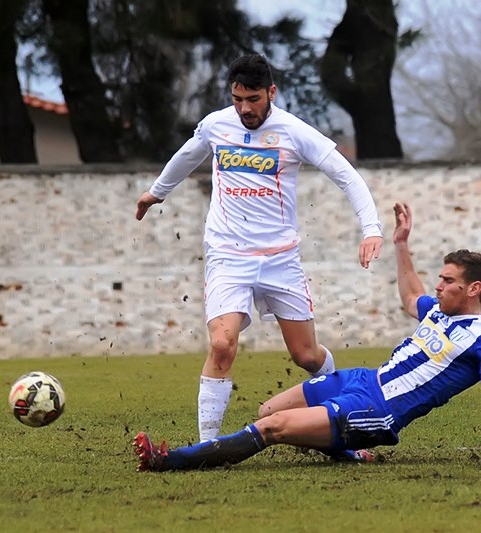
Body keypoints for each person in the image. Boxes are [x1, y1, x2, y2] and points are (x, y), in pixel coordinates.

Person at [132, 202, 481, 471]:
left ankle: (169, 460)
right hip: (362, 379)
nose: (438, 286)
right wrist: (401, 244)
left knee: (272, 430)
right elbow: (411, 296)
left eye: (447, 281)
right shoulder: (439, 312)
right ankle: (346, 450)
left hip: (378, 409)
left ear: (474, 289)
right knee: (267, 411)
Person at [135, 53, 383, 443]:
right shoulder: (217, 125)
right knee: (222, 344)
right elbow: (188, 154)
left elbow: (347, 177)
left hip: (280, 258)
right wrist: (156, 192)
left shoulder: (294, 131)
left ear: (271, 92)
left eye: (253, 99)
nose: (245, 109)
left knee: (306, 356)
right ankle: (208, 445)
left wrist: (371, 229)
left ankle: (342, 406)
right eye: (238, 99)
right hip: (227, 254)